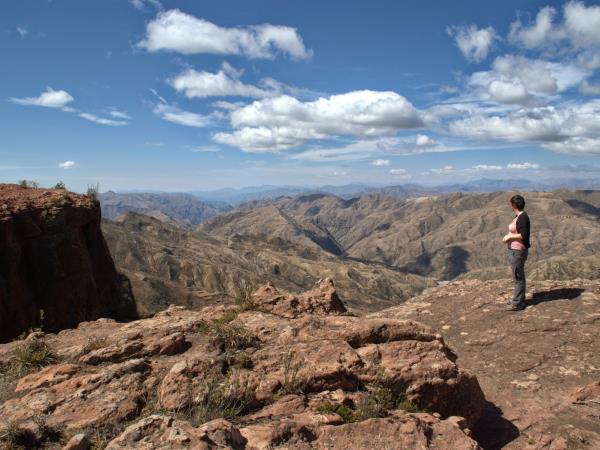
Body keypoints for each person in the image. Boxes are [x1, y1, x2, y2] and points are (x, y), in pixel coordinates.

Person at [502, 194, 531, 311]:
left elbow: (524, 235)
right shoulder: (519, 216)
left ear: (514, 205)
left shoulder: (523, 217)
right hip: (515, 250)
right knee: (518, 276)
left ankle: (518, 303)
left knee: (518, 277)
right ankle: (519, 299)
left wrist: (510, 237)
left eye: (511, 204)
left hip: (518, 251)